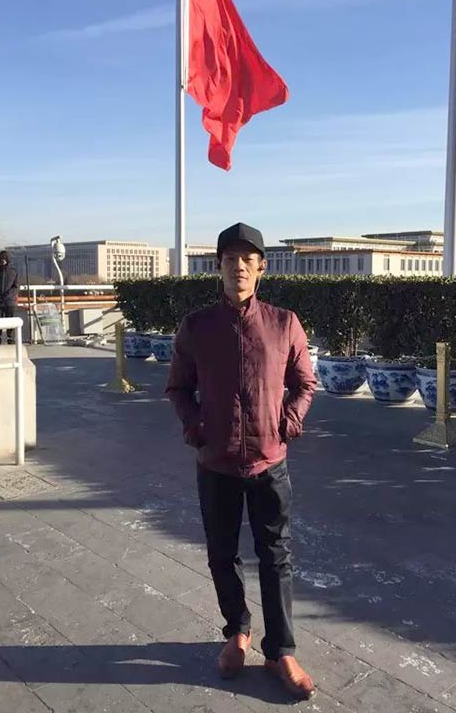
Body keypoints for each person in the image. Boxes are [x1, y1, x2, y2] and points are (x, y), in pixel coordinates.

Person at [166, 222, 317, 700]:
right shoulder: (197, 326)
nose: (239, 268)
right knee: (221, 552)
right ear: (219, 267)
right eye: (230, 260)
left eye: (248, 260)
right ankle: (237, 630)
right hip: (217, 463)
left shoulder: (283, 322)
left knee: (276, 555)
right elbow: (178, 387)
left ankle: (280, 650)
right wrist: (196, 428)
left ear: (261, 268)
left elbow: (305, 383)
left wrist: (287, 423)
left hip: (270, 462)